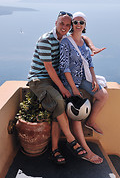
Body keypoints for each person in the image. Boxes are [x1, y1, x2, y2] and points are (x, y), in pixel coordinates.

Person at [27, 11, 105, 165]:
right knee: (59, 101)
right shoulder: (45, 40)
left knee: (60, 109)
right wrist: (63, 88)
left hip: (53, 80)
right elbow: (49, 68)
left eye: (67, 24)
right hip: (39, 79)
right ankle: (71, 140)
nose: (64, 27)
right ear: (55, 22)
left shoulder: (65, 38)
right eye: (62, 23)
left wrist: (92, 46)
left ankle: (55, 149)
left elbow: (82, 37)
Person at [59, 11, 108, 164]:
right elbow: (64, 67)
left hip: (83, 78)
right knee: (77, 112)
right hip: (69, 82)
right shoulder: (66, 42)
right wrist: (73, 89)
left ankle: (91, 121)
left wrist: (93, 78)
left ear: (85, 25)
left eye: (82, 22)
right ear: (72, 25)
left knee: (103, 94)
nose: (78, 24)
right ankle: (86, 150)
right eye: (76, 22)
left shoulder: (84, 43)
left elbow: (90, 63)